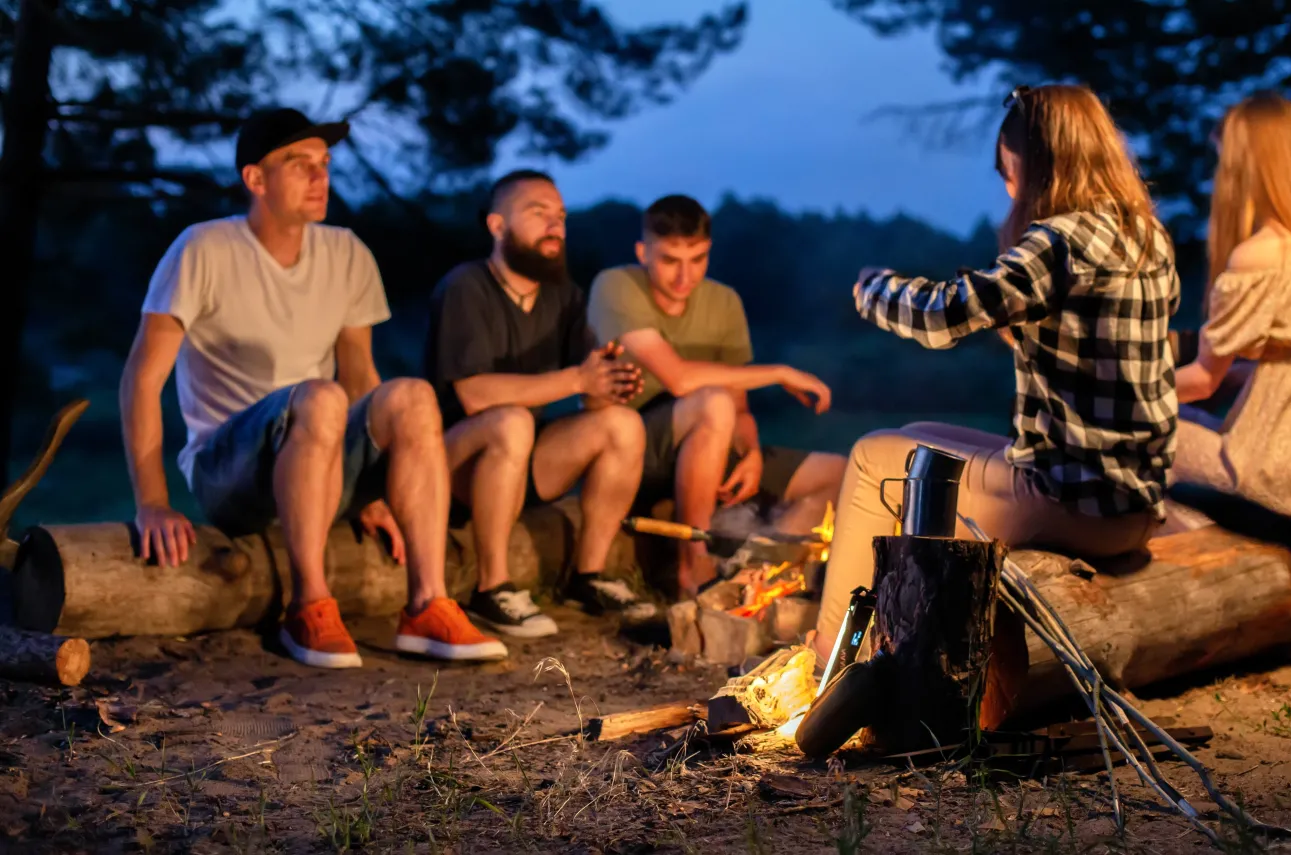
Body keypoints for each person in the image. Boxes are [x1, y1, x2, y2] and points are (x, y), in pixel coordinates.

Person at [119, 108, 505, 669]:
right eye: (299, 165)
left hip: (322, 460)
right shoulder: (202, 249)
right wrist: (152, 502)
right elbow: (141, 378)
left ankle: (427, 604)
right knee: (321, 398)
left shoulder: (346, 252)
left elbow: (361, 377)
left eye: (324, 165)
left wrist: (377, 485)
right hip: (230, 474)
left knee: (412, 397)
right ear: (255, 179)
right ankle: (310, 606)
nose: (320, 177)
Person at [813, 84, 1180, 664]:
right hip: (1136, 504)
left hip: (1073, 502)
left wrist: (872, 287)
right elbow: (1090, 341)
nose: (1006, 186)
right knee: (917, 432)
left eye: (1006, 170)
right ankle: (885, 642)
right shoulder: (1146, 236)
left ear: (1033, 162)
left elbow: (941, 316)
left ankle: (833, 664)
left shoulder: (1058, 241)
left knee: (868, 457)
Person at [427, 170, 657, 636]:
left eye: (561, 216)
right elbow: (472, 394)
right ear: (497, 225)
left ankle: (589, 576)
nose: (556, 225)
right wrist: (577, 378)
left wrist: (607, 384)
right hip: (448, 467)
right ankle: (492, 588)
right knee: (510, 421)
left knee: (622, 425)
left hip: (521, 460)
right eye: (538, 213)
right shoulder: (465, 287)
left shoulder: (564, 296)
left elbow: (584, 393)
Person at [586, 195, 846, 596]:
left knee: (843, 473)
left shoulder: (723, 302)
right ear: (643, 252)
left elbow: (739, 404)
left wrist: (752, 452)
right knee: (713, 401)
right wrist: (778, 372)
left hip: (713, 439)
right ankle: (695, 571)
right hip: (636, 448)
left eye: (698, 259)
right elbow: (678, 379)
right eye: (670, 260)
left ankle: (759, 571)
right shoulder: (615, 286)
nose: (684, 276)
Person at [1167, 92, 1291, 535]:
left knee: (1138, 430)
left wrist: (1121, 394)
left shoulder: (1260, 256)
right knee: (1184, 421)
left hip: (1271, 482)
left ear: (1245, 165)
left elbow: (1205, 380)